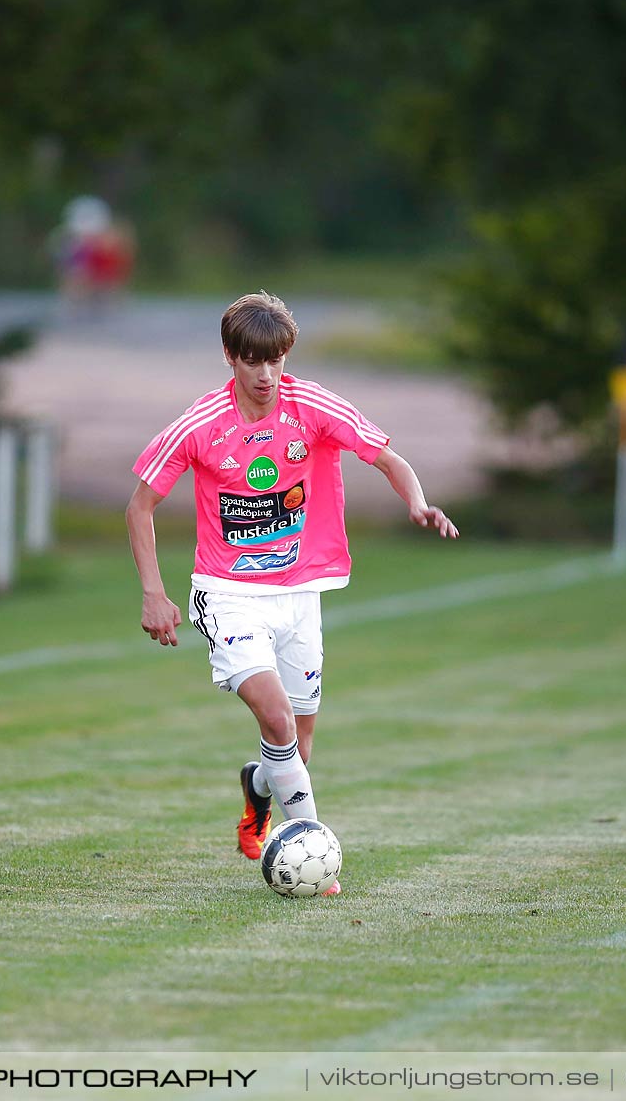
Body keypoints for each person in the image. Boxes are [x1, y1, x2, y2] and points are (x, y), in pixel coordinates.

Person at [126, 292, 458, 890]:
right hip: (228, 594)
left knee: (297, 743)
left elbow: (387, 458)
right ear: (230, 357)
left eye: (275, 359)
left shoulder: (311, 406)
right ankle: (310, 849)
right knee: (276, 718)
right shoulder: (202, 423)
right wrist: (155, 593)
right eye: (252, 360)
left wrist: (417, 501)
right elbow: (141, 505)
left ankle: (259, 790)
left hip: (301, 593)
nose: (266, 374)